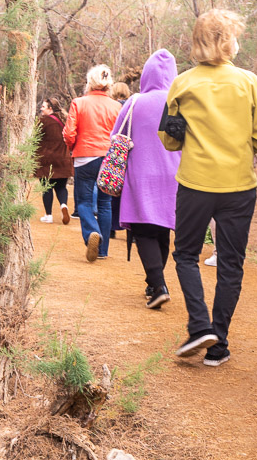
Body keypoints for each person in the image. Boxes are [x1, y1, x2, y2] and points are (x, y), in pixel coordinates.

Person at [160, 9, 257, 366]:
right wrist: (243, 148)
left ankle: (199, 325)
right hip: (240, 185)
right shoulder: (250, 82)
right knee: (231, 263)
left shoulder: (182, 83)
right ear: (228, 41)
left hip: (196, 183)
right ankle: (219, 343)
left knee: (185, 254)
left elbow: (168, 139)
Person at [115, 49, 180, 309]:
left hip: (141, 174)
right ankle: (154, 282)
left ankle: (158, 285)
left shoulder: (134, 102)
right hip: (174, 174)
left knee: (143, 229)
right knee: (162, 227)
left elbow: (116, 136)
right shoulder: (180, 102)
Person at [63, 64, 122, 262]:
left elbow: (69, 133)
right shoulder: (116, 106)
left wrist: (73, 147)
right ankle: (103, 250)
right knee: (105, 204)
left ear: (90, 82)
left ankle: (91, 234)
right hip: (108, 158)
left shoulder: (78, 103)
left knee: (84, 202)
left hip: (85, 157)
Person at [35, 98, 73, 224]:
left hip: (47, 161)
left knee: (47, 187)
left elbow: (35, 139)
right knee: (61, 187)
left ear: (50, 108)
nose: (41, 108)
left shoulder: (43, 121)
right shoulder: (65, 119)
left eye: (44, 106)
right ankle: (63, 205)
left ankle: (48, 215)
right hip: (63, 159)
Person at [108, 82, 131, 238]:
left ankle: (111, 228)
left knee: (112, 189)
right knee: (130, 192)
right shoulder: (132, 106)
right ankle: (132, 232)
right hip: (131, 152)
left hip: (116, 152)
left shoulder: (111, 107)